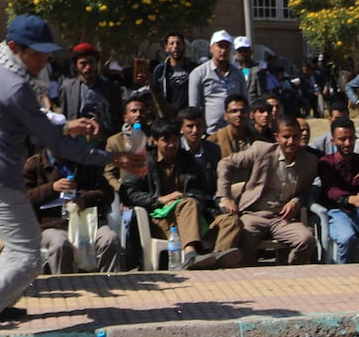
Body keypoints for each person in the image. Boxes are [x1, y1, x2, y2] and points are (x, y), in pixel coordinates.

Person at [0, 15, 146, 337]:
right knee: (29, 259)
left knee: (16, 248)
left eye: (46, 53)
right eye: (37, 53)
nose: (43, 60)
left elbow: (26, 121)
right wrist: (114, 159)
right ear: (15, 48)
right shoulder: (14, 85)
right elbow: (57, 144)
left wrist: (66, 125)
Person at [121, 119, 232, 270]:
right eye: (166, 140)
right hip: (159, 219)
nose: (172, 145)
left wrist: (187, 197)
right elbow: (129, 194)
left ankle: (215, 258)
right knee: (189, 203)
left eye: (175, 140)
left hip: (193, 217)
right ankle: (189, 255)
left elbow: (204, 192)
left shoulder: (188, 160)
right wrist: (160, 200)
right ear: (154, 141)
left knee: (230, 220)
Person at [212, 116, 318, 265]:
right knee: (242, 239)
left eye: (295, 136)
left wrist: (295, 201)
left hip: (282, 219)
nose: (291, 141)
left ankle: (290, 275)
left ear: (300, 136)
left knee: (306, 239)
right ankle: (249, 279)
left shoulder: (309, 161)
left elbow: (305, 190)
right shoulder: (262, 150)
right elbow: (225, 164)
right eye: (286, 137)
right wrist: (225, 197)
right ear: (277, 137)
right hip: (253, 214)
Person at [20, 148, 121, 273]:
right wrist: (51, 188)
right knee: (60, 244)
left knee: (109, 239)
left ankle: (109, 281)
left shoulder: (85, 163)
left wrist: (84, 199)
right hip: (52, 224)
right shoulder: (34, 164)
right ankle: (63, 285)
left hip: (88, 222)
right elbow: (23, 198)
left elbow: (108, 193)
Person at [316, 117, 359, 264]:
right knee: (347, 238)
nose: (347, 143)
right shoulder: (326, 163)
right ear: (333, 141)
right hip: (337, 211)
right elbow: (331, 190)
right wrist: (350, 199)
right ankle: (344, 270)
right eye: (342, 139)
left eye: (350, 138)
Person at [58, 41, 121, 143]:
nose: (88, 67)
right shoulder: (67, 88)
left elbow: (117, 120)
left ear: (96, 63)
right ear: (76, 65)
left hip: (104, 142)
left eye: (91, 62)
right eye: (83, 63)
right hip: (77, 142)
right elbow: (63, 119)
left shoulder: (111, 88)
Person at [189, 30, 245, 132]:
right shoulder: (199, 73)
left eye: (226, 46)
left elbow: (245, 103)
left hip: (235, 132)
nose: (223, 50)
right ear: (211, 48)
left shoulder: (238, 74)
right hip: (211, 133)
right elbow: (194, 108)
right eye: (220, 46)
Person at [177, 105, 222, 192]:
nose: (195, 130)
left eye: (198, 125)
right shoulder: (175, 149)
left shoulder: (214, 149)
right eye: (190, 126)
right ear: (181, 129)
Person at [151, 31, 192, 118]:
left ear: (184, 46)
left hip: (187, 116)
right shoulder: (160, 70)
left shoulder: (193, 68)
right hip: (167, 116)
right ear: (166, 48)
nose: (175, 46)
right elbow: (156, 94)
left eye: (178, 43)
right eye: (171, 43)